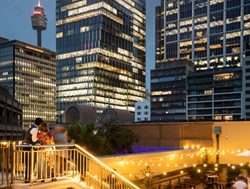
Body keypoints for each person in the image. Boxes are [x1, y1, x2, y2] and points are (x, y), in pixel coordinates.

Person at [23, 117, 43, 183]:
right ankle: (29, 179)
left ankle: (27, 178)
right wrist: (40, 140)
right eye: (41, 124)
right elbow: (34, 139)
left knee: (28, 163)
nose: (41, 126)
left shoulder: (32, 128)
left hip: (26, 147)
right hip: (30, 148)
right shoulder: (35, 129)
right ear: (39, 124)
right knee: (31, 163)